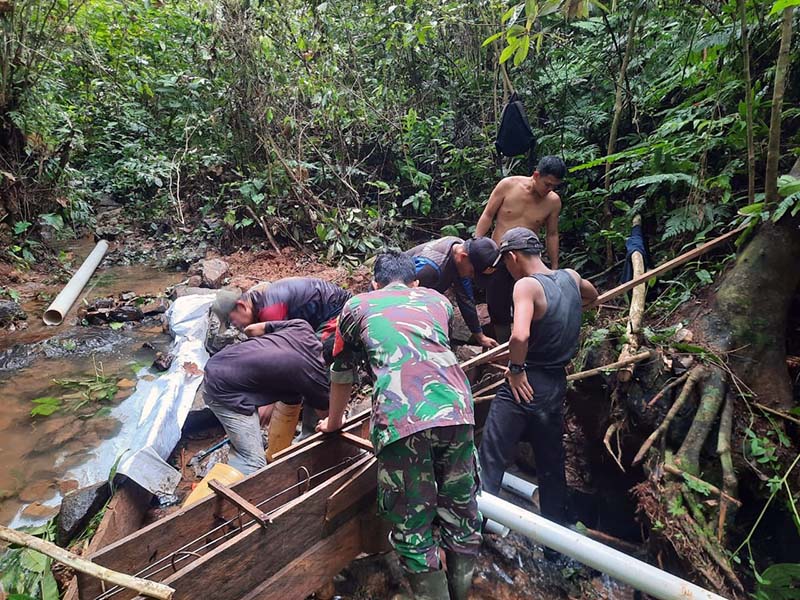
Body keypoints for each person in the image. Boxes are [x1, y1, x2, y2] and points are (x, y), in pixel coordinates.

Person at [317, 250, 481, 600]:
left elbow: (342, 370)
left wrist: (334, 422)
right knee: (461, 514)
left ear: (375, 283)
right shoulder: (438, 301)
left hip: (400, 419)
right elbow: (435, 349)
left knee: (413, 525)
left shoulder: (357, 305)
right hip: (457, 410)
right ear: (416, 282)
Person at [478, 227, 597, 532]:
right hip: (556, 383)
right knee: (551, 463)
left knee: (491, 455)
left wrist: (516, 370)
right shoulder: (570, 276)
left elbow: (519, 335)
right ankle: (555, 543)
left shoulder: (526, 287)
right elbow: (592, 295)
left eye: (506, 262)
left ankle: (475, 526)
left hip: (526, 381)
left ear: (513, 257)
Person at [203, 319, 330, 473]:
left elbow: (252, 329)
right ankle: (213, 496)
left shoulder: (301, 327)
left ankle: (275, 456)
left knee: (293, 395)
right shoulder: (312, 373)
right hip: (222, 390)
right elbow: (328, 418)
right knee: (253, 463)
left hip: (221, 362)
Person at [474, 155, 567, 342]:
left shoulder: (553, 201)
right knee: (497, 302)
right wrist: (476, 245)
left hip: (528, 258)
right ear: (536, 175)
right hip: (499, 254)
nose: (549, 189)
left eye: (554, 186)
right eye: (547, 184)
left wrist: (554, 265)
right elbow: (488, 215)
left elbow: (552, 234)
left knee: (527, 303)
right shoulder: (508, 185)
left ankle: (527, 346)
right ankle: (502, 346)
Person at [210, 277, 352, 363]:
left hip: (343, 312)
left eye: (231, 321)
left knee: (313, 358)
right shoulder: (258, 299)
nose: (235, 326)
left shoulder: (269, 311)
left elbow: (284, 349)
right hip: (323, 315)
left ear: (241, 306)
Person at [405, 235, 500, 349]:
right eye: (471, 272)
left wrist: (480, 336)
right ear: (462, 257)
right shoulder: (428, 270)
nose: (471, 277)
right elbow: (395, 298)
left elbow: (465, 299)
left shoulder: (461, 248)